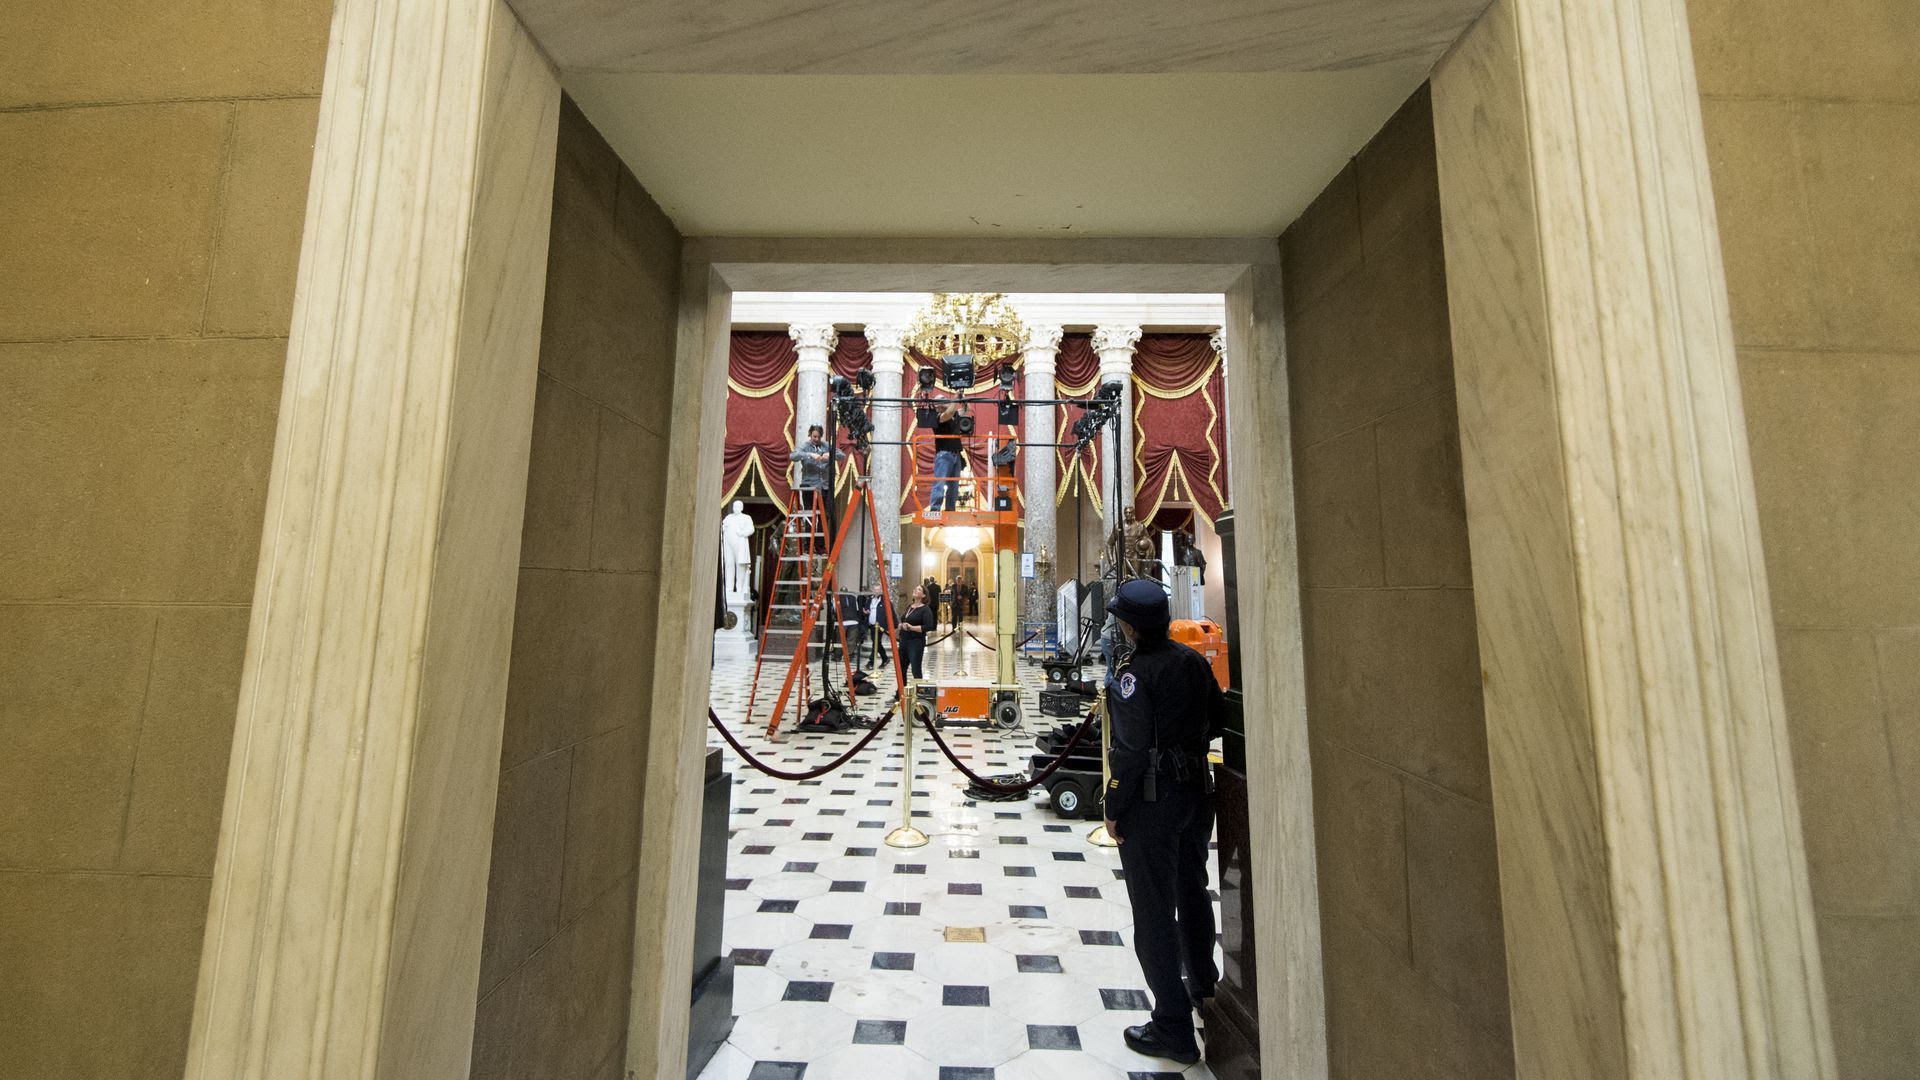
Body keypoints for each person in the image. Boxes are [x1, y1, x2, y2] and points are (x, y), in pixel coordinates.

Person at [1099, 578, 1226, 1065]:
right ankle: (1203, 986)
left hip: (1153, 803)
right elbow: (1216, 717)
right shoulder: (1192, 660)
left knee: (1153, 912)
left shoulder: (1134, 674)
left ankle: (1172, 1026)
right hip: (1196, 794)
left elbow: (1129, 752)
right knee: (1193, 891)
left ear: (1129, 627)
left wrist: (1113, 805)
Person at [792, 423, 844, 533]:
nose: (816, 439)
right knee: (810, 516)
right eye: (814, 436)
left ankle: (820, 546)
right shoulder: (804, 446)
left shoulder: (826, 446)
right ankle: (808, 545)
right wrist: (809, 455)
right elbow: (793, 456)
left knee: (825, 515)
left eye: (819, 437)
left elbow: (842, 455)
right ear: (810, 435)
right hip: (809, 486)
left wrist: (830, 454)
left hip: (825, 486)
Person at [928, 401, 965, 513]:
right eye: (941, 400)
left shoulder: (954, 414)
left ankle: (950, 508)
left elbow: (966, 410)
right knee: (940, 482)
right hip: (944, 454)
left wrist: (963, 399)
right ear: (937, 406)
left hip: (956, 454)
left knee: (954, 485)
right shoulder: (937, 417)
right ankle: (935, 509)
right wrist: (954, 400)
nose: (945, 401)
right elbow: (948, 414)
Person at [896, 585, 936, 680]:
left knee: (915, 669)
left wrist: (912, 627)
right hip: (904, 641)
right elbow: (904, 619)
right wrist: (901, 625)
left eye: (918, 589)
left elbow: (928, 626)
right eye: (915, 588)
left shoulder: (925, 609)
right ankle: (901, 691)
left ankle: (919, 691)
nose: (915, 590)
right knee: (901, 668)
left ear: (923, 595)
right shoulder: (910, 606)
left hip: (916, 642)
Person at [864, 582, 891, 668]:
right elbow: (865, 609)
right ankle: (885, 658)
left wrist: (892, 626)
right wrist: (865, 612)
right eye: (875, 590)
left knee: (875, 643)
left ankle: (871, 662)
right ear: (872, 590)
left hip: (879, 626)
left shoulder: (885, 600)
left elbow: (890, 613)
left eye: (878, 589)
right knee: (877, 643)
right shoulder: (869, 600)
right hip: (872, 625)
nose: (877, 591)